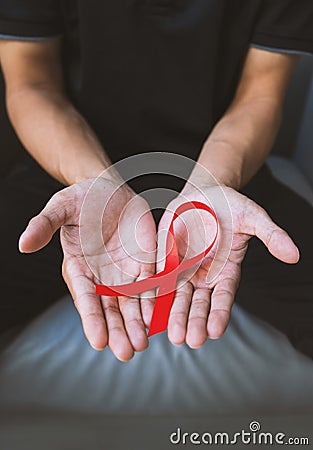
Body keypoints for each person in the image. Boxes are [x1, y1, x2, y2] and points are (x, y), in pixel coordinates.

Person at [0, 0, 312, 361]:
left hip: (221, 177)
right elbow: (33, 84)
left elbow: (260, 95)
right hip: (70, 172)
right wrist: (97, 182)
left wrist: (211, 184)